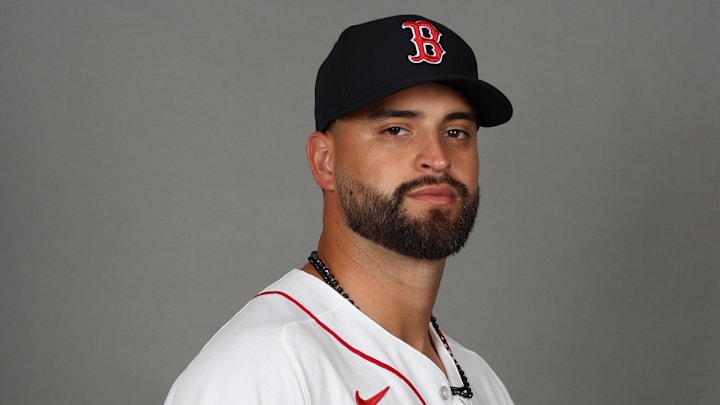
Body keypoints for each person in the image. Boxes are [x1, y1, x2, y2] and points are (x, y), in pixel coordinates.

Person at [165, 14, 514, 405]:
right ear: (325, 161)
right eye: (396, 130)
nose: (437, 159)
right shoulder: (261, 367)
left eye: (455, 133)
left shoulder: (481, 381)